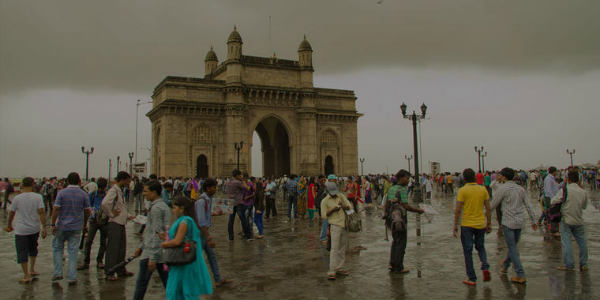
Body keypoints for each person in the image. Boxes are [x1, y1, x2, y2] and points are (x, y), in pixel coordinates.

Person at [491, 167, 538, 284]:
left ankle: (520, 274)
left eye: (501, 174)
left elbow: (493, 205)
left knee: (513, 249)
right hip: (519, 222)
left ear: (505, 176)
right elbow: (528, 205)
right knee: (513, 247)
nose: (499, 176)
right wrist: (533, 221)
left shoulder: (502, 189)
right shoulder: (520, 189)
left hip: (507, 223)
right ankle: (506, 265)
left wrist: (482, 216)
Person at [161, 196, 213, 300]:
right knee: (183, 290)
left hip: (183, 263)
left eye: (174, 207)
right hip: (182, 261)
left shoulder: (185, 222)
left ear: (182, 208)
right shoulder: (183, 220)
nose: (173, 210)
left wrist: (163, 244)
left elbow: (177, 241)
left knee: (180, 290)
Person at [133, 180, 171, 300]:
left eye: (146, 191)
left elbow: (156, 233)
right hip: (161, 253)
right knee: (169, 284)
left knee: (141, 285)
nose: (144, 194)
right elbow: (152, 231)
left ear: (154, 192)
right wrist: (141, 246)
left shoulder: (156, 209)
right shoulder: (162, 206)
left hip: (152, 254)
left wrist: (152, 257)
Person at [5, 177, 47, 283]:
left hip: (21, 229)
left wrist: (9, 224)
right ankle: (32, 269)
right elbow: (41, 212)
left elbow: (12, 213)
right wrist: (44, 227)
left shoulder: (17, 198)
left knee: (22, 252)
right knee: (33, 249)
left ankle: (26, 275)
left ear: (22, 185)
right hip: (35, 228)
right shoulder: (38, 197)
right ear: (33, 185)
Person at [453, 168, 492, 286]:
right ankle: (485, 266)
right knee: (480, 247)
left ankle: (472, 277)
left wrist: (455, 225)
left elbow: (458, 210)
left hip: (467, 224)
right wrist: (489, 223)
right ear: (475, 177)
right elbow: (488, 208)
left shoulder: (462, 190)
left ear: (464, 178)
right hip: (480, 223)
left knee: (468, 251)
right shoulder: (482, 189)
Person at [51, 172, 90, 284]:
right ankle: (72, 276)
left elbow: (56, 209)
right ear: (79, 181)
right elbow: (87, 211)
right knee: (73, 252)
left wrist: (53, 224)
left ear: (67, 181)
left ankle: (58, 273)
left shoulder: (62, 193)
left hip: (62, 226)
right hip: (77, 226)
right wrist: (84, 224)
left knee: (57, 248)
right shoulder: (83, 194)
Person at [383, 170, 424, 274]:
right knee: (401, 243)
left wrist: (386, 216)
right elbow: (406, 206)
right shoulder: (402, 189)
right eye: (406, 178)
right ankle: (398, 267)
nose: (408, 180)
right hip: (400, 220)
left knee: (395, 241)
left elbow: (386, 204)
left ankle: (392, 264)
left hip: (392, 219)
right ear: (400, 178)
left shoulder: (392, 188)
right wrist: (418, 211)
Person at [195, 179, 233, 287]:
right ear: (207, 188)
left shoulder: (207, 200)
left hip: (204, 233)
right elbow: (201, 222)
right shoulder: (201, 201)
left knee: (212, 257)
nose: (215, 189)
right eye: (214, 187)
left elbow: (205, 215)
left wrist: (216, 213)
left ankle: (217, 279)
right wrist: (209, 238)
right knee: (196, 259)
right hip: (201, 234)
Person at [552, 170, 589, 272]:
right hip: (579, 219)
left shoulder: (565, 190)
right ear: (578, 179)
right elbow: (584, 206)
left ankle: (569, 264)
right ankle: (584, 264)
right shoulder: (583, 191)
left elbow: (553, 201)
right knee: (582, 242)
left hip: (566, 219)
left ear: (568, 179)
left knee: (566, 242)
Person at [101, 171, 135, 280]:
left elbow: (120, 207)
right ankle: (109, 272)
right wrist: (111, 214)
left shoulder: (120, 190)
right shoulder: (113, 190)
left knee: (121, 248)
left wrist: (129, 215)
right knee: (113, 249)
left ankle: (120, 269)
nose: (129, 182)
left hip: (120, 222)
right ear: (123, 179)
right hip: (114, 223)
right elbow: (104, 203)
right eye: (128, 180)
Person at [321, 180, 353, 280]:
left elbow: (350, 207)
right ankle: (332, 271)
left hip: (344, 225)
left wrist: (343, 206)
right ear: (327, 191)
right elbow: (323, 215)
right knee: (334, 249)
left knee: (343, 248)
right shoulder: (325, 201)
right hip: (334, 226)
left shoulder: (341, 196)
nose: (334, 194)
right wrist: (333, 209)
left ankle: (340, 268)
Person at [79, 177, 108, 270]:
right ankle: (86, 261)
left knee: (103, 242)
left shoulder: (106, 196)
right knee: (88, 242)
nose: (100, 190)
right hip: (93, 220)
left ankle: (99, 261)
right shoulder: (92, 195)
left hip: (104, 221)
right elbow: (88, 207)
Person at [226, 169, 252, 241]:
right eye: (240, 175)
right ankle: (248, 235)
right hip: (238, 203)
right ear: (237, 175)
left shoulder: (228, 182)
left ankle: (231, 237)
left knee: (231, 221)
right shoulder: (238, 182)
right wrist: (243, 182)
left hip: (230, 203)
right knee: (243, 219)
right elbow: (248, 188)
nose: (241, 176)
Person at [542, 166, 561, 235]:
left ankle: (554, 229)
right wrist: (553, 199)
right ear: (554, 171)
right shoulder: (548, 179)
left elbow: (555, 188)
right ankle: (553, 230)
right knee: (553, 213)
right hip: (550, 198)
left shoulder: (551, 178)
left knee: (554, 213)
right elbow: (549, 190)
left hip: (552, 198)